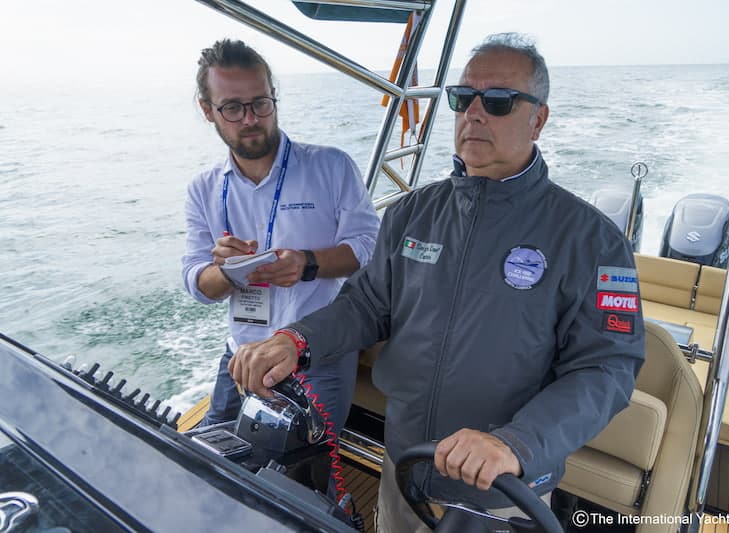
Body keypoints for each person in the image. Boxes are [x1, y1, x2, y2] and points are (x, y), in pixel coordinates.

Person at [228, 32, 645, 530]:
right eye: (463, 98)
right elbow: (366, 305)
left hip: (501, 490)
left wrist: (517, 444)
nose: (474, 114)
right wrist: (296, 339)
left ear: (538, 119)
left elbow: (606, 368)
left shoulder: (592, 240)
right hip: (404, 470)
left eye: (498, 101)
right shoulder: (412, 213)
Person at [181, 39, 380, 441]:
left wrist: (308, 263)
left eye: (261, 103)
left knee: (302, 464)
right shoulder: (203, 189)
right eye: (232, 108)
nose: (250, 118)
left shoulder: (331, 166)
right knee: (206, 455)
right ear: (207, 110)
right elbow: (197, 283)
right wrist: (226, 272)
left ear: (274, 97)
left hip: (317, 353)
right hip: (241, 355)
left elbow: (370, 248)